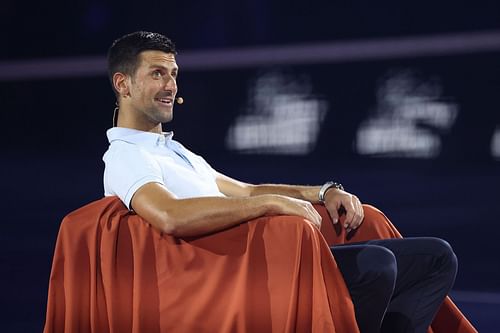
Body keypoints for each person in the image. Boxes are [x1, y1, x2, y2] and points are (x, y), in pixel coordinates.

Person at [103, 31, 458, 333]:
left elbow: (247, 191)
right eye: (157, 74)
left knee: (436, 258)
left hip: (264, 260)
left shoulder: (174, 151)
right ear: (124, 84)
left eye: (173, 73)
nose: (170, 85)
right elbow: (169, 214)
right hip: (222, 281)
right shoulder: (126, 155)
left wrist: (322, 192)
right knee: (377, 266)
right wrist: (270, 206)